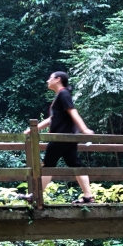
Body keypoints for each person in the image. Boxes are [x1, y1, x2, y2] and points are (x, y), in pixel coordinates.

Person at [35, 71, 94, 205]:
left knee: (48, 166)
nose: (47, 81)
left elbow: (73, 111)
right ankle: (88, 197)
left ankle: (36, 196)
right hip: (68, 137)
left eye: (50, 78)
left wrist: (84, 129)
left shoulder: (63, 94)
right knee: (76, 165)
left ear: (58, 79)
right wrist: (32, 130)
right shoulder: (60, 95)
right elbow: (52, 119)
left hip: (61, 137)